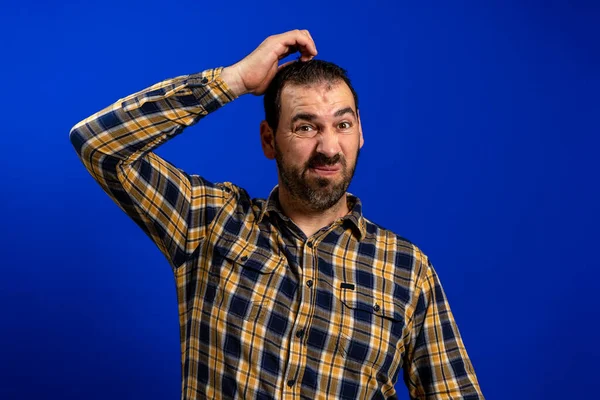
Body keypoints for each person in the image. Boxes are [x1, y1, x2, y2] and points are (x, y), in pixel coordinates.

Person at [70, 29, 484, 400]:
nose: (328, 147)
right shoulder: (210, 222)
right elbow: (98, 144)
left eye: (342, 125)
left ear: (360, 131)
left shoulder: (407, 270)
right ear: (269, 139)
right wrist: (233, 80)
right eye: (305, 127)